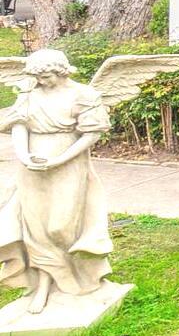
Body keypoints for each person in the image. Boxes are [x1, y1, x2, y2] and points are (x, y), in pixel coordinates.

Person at [0, 49, 112, 315]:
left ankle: (80, 278)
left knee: (60, 226)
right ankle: (43, 286)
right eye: (38, 77)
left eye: (47, 76)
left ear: (61, 72)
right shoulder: (30, 94)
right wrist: (25, 155)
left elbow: (91, 135)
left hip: (68, 163)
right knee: (35, 227)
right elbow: (19, 125)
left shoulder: (83, 95)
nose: (41, 82)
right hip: (32, 165)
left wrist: (59, 160)